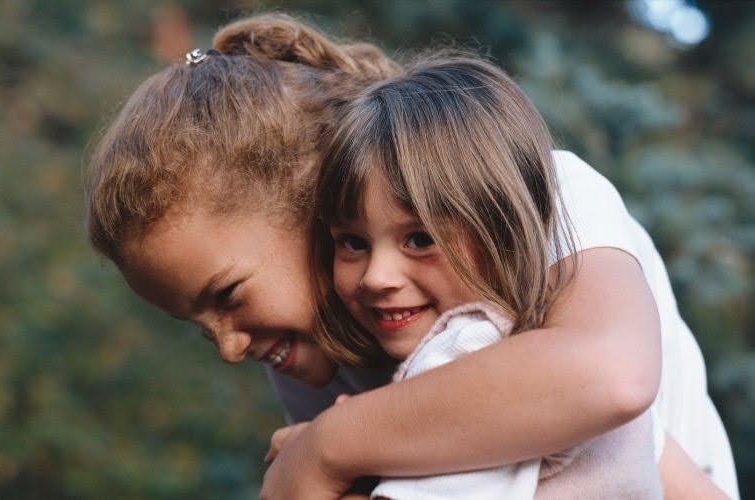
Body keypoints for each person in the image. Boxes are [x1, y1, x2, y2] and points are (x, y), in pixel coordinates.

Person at [84, 13, 738, 499]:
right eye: (199, 328)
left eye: (227, 296)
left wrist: (329, 447)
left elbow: (609, 377)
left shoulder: (541, 189)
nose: (229, 346)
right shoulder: (314, 346)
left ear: (312, 200)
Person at [310, 56, 668, 499]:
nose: (376, 278)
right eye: (352, 242)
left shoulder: (461, 350)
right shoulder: (549, 344)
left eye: (420, 239)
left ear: (504, 230)